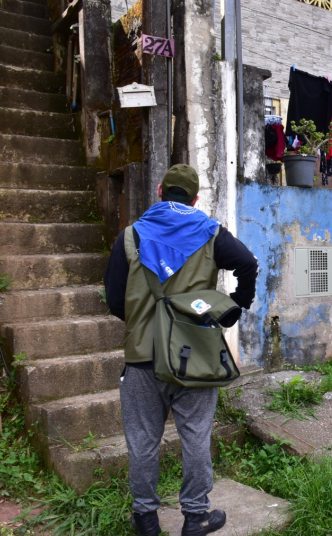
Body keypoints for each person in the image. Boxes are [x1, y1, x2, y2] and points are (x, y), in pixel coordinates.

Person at [104, 165, 258, 536]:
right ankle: (195, 516)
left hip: (141, 359)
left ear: (160, 191)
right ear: (195, 199)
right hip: (194, 358)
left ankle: (145, 518)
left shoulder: (130, 237)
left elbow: (113, 300)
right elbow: (247, 263)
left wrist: (144, 321)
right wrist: (236, 303)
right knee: (195, 436)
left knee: (142, 442)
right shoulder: (210, 234)